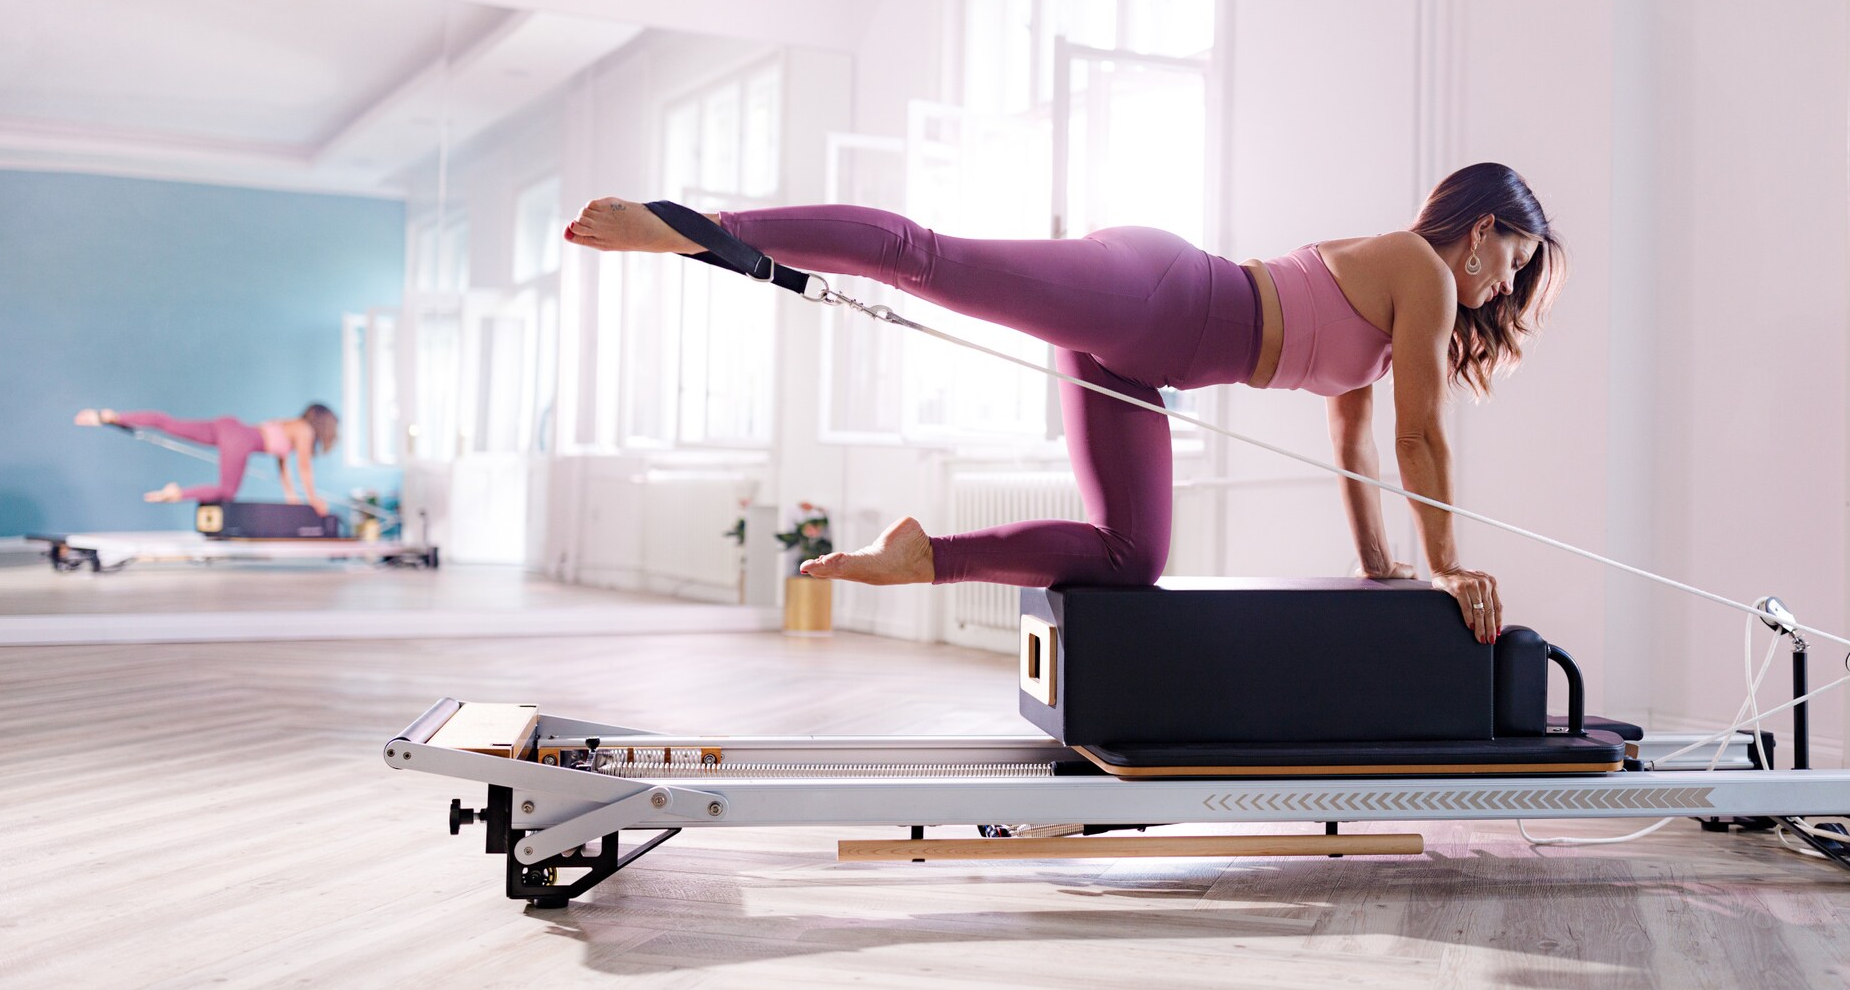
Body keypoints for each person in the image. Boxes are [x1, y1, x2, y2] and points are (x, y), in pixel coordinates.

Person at [564, 164, 1562, 645]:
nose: (1501, 287)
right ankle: (697, 227)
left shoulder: (1392, 324)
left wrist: (1385, 566)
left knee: (1133, 560)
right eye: (1510, 262)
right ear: (1479, 230)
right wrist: (1450, 564)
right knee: (926, 259)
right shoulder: (1422, 275)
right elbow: (1419, 435)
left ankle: (925, 557)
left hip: (1137, 361)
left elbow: (1360, 445)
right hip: (1151, 293)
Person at [74, 404, 339, 515]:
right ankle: (178, 492)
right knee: (226, 491)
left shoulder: (290, 425)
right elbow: (304, 467)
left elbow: (285, 469)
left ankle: (111, 416)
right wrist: (313, 500)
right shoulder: (304, 431)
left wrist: (293, 499)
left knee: (169, 423)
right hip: (240, 440)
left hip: (227, 428)